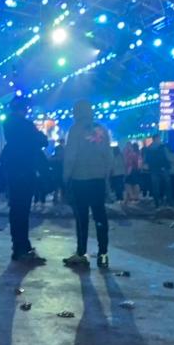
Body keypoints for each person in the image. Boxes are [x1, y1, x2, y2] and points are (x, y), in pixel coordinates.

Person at [62, 100, 112, 269]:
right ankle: (103, 253)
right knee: (100, 217)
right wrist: (106, 178)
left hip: (80, 179)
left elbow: (70, 157)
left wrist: (65, 177)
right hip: (98, 180)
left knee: (81, 217)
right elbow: (109, 156)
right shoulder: (102, 130)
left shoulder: (75, 130)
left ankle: (82, 252)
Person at [2, 96, 48, 264]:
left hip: (13, 170)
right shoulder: (25, 125)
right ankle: (23, 248)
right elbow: (43, 140)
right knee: (23, 210)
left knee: (16, 209)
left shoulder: (8, 124)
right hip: (25, 170)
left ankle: (18, 247)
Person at [143, 135, 172, 207]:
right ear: (156, 139)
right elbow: (167, 157)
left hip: (153, 169)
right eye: (159, 139)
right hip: (163, 168)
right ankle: (169, 201)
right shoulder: (163, 147)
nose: (160, 140)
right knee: (167, 185)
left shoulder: (149, 148)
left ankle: (157, 203)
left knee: (155, 186)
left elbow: (146, 160)